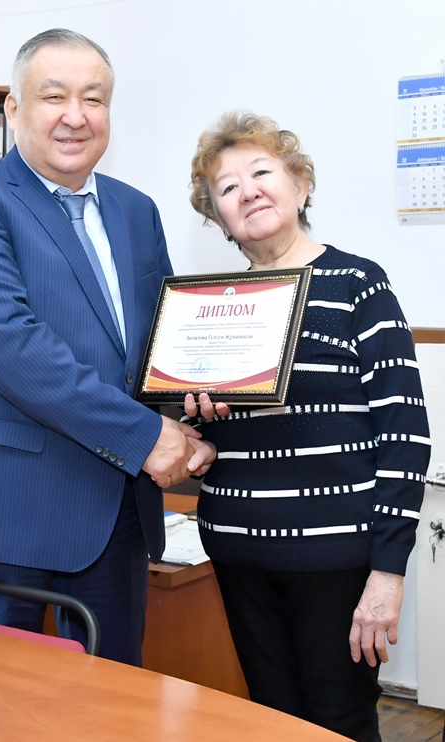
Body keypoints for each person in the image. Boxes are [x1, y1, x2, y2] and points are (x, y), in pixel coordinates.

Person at [0, 28, 216, 666]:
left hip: (116, 514)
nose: (76, 116)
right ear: (14, 108)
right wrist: (148, 437)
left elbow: (157, 345)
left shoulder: (136, 210)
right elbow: (8, 345)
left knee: (114, 700)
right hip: (7, 515)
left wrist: (195, 408)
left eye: (94, 98)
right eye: (54, 96)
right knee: (0, 703)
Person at [184, 112, 430, 742]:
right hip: (238, 551)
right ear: (218, 217)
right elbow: (209, 431)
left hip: (335, 558)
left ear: (300, 185)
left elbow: (405, 435)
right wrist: (195, 425)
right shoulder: (210, 307)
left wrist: (388, 570)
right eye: (228, 187)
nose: (248, 192)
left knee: (339, 723)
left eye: (262, 173)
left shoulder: (358, 285)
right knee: (270, 721)